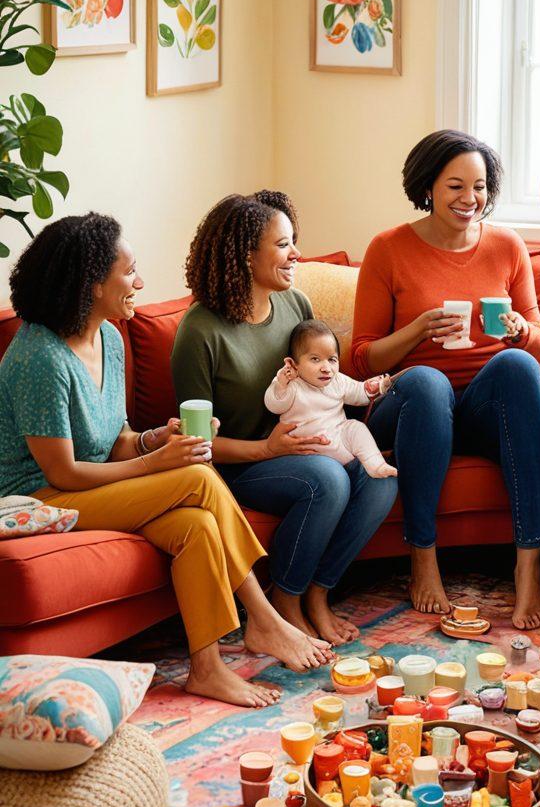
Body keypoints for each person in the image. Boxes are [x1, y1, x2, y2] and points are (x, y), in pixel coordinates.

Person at [0, 214, 328, 708]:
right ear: (92, 284)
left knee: (197, 525)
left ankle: (207, 670)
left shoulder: (109, 338)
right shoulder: (39, 358)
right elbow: (62, 472)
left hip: (92, 487)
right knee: (197, 476)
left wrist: (155, 439)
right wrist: (159, 464)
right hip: (41, 500)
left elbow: (115, 440)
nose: (140, 283)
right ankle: (264, 618)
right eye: (130, 272)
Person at [171, 190, 397, 648]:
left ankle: (318, 593)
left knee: (381, 481)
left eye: (294, 241)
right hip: (239, 466)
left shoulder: (295, 305)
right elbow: (196, 446)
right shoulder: (199, 331)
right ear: (245, 255)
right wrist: (266, 449)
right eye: (282, 244)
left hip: (306, 449)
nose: (296, 254)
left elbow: (325, 379)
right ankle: (284, 602)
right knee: (327, 480)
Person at [352, 130, 540, 629]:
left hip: (481, 412)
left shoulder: (507, 246)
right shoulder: (388, 249)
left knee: (518, 366)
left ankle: (529, 568)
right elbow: (361, 360)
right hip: (411, 407)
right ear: (427, 187)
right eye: (456, 187)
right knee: (427, 382)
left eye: (479, 187)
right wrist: (417, 331)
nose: (470, 199)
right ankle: (423, 559)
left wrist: (522, 333)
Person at [264, 319, 396, 478]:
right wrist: (281, 384)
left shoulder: (337, 380)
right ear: (293, 364)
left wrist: (374, 387)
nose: (326, 368)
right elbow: (274, 405)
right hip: (308, 450)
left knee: (355, 427)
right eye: (315, 359)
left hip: (339, 439)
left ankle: (376, 464)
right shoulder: (291, 384)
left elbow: (358, 392)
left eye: (332, 359)